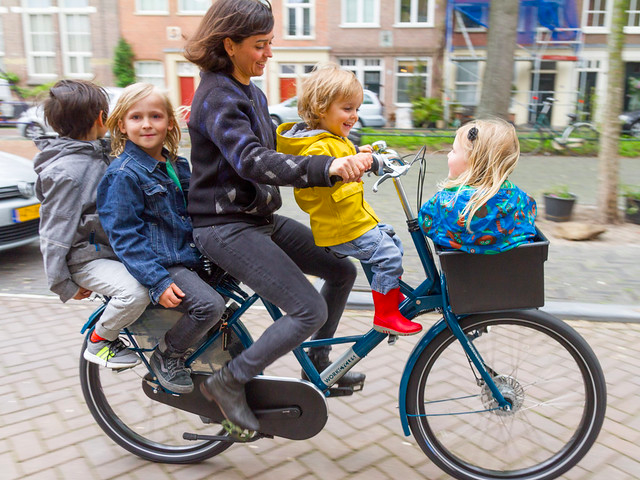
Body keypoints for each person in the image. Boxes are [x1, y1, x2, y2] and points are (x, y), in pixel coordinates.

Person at [183, 0, 372, 432]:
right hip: (224, 227)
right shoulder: (217, 95)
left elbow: (277, 147)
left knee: (341, 271)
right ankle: (228, 381)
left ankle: (319, 365)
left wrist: (341, 151)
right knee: (307, 309)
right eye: (260, 45)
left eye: (270, 43)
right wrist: (325, 170)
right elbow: (251, 160)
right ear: (229, 45)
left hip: (258, 219)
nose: (269, 53)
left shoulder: (250, 90)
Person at [97, 83, 226, 395]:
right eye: (136, 117)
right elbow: (125, 237)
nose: (146, 124)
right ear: (121, 126)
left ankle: (223, 377)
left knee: (234, 299)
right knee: (209, 306)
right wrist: (156, 281)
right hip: (164, 264)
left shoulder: (177, 165)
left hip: (190, 255)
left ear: (170, 122)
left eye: (155, 116)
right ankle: (167, 356)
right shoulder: (123, 175)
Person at [276, 63, 422, 337]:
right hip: (342, 227)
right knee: (387, 256)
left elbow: (343, 153)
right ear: (321, 108)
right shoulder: (317, 146)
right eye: (347, 109)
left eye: (356, 109)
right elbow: (326, 165)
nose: (354, 116)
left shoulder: (333, 137)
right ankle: (386, 315)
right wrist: (351, 162)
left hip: (355, 220)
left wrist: (359, 152)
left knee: (393, 242)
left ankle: (389, 298)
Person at [34, 79, 149, 370]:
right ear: (101, 118)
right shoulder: (67, 172)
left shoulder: (101, 152)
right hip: (85, 260)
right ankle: (100, 340)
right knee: (136, 291)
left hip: (109, 251)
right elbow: (53, 234)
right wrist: (64, 284)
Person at [418, 118, 537, 253]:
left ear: (473, 160)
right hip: (513, 272)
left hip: (459, 272)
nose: (448, 155)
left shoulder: (443, 203)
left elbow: (425, 224)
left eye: (454, 151)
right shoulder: (524, 202)